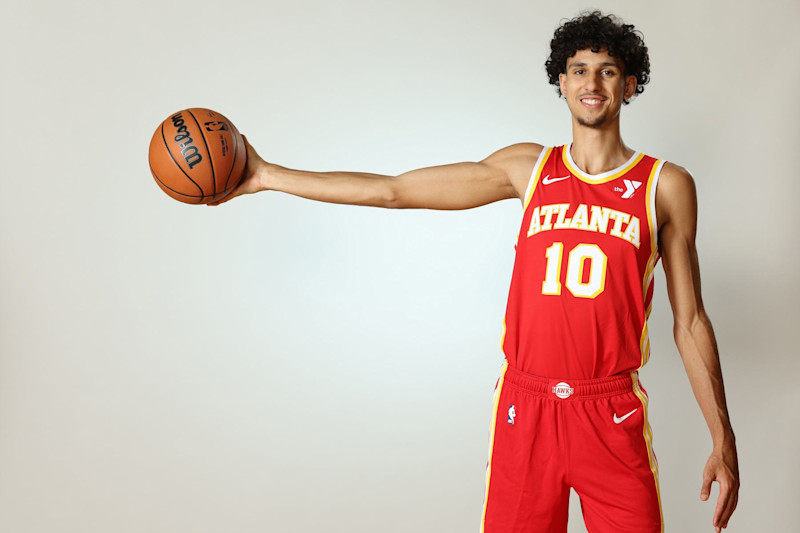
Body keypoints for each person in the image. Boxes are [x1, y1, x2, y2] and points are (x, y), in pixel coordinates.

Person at [212, 11, 739, 533]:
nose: (591, 82)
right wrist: (266, 175)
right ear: (561, 81)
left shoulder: (664, 185)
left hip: (609, 410)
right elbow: (394, 191)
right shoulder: (528, 169)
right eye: (579, 69)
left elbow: (690, 322)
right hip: (525, 407)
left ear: (629, 83)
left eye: (606, 70)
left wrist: (723, 439)